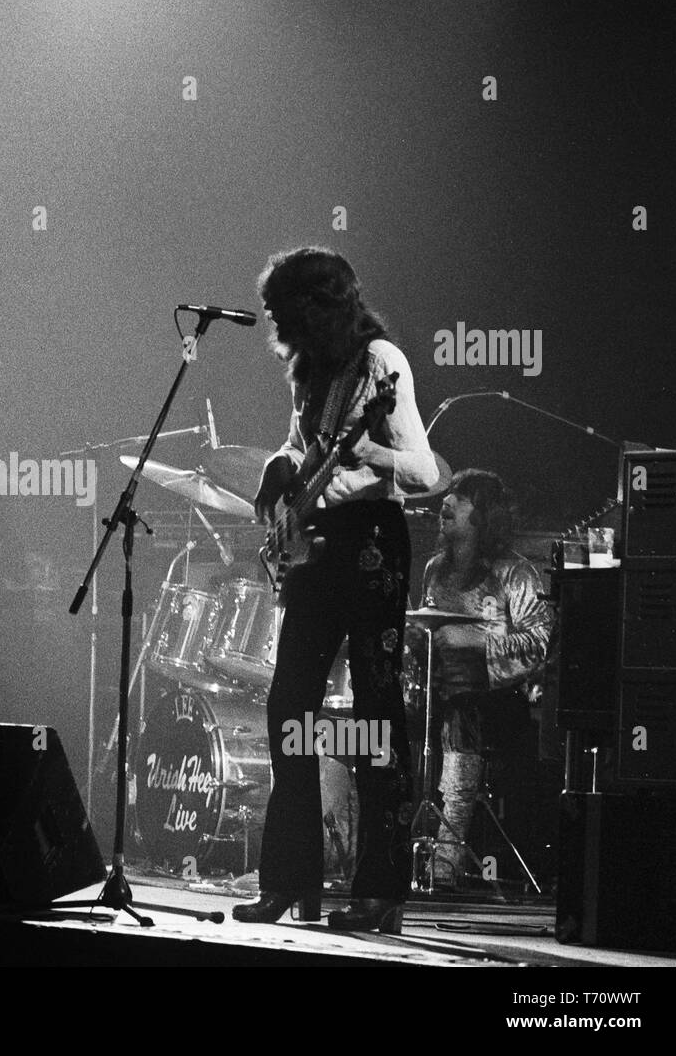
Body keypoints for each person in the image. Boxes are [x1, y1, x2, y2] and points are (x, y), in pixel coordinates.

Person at [234, 247, 439, 932]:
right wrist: (280, 462)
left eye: (286, 314)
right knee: (289, 701)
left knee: (378, 709)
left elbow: (423, 471)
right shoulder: (312, 370)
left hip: (373, 540)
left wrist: (369, 452)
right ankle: (289, 877)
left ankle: (382, 888)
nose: (279, 328)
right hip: (320, 540)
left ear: (322, 307)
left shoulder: (382, 362)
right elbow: (305, 447)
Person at [417, 469, 553, 889]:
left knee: (463, 716)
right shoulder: (434, 569)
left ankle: (446, 862)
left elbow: (540, 639)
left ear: (485, 516)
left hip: (495, 701)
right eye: (450, 493)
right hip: (437, 698)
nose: (450, 501)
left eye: (462, 496)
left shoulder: (515, 573)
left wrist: (477, 644)